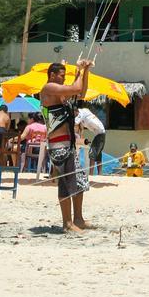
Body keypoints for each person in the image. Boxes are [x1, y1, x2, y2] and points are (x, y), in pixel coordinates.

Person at [40, 59, 93, 232]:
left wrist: (85, 72)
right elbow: (76, 88)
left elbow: (82, 92)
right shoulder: (49, 89)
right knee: (65, 182)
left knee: (80, 182)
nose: (63, 79)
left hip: (68, 144)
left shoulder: (60, 95)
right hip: (58, 145)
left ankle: (78, 219)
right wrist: (79, 70)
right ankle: (67, 224)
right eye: (61, 76)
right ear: (52, 75)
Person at [75, 105, 106, 175]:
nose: (75, 115)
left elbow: (75, 122)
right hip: (100, 133)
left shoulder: (81, 113)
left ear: (76, 111)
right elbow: (81, 127)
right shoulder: (84, 114)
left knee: (92, 153)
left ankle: (91, 174)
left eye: (74, 114)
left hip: (100, 133)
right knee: (98, 155)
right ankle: (100, 174)